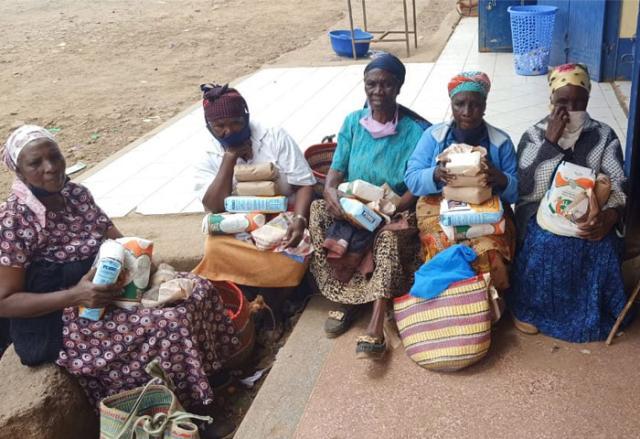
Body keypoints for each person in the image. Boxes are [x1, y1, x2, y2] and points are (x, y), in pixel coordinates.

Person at [0, 125, 238, 434]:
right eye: (36, 163)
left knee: (197, 289)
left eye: (54, 156)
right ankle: (186, 413)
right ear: (18, 170)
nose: (50, 168)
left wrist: (149, 270)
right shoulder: (14, 219)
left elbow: (117, 239)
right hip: (62, 319)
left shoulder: (76, 195)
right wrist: (76, 295)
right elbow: (5, 301)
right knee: (166, 324)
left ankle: (210, 376)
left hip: (108, 293)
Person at [309, 53, 430, 359]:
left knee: (387, 237)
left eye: (386, 85)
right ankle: (346, 298)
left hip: (395, 207)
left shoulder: (416, 132)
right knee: (318, 212)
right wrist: (331, 192)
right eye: (371, 84)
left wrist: (387, 211)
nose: (378, 92)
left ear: (399, 86)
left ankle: (377, 320)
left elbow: (415, 186)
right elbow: (336, 170)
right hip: (354, 204)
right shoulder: (353, 122)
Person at [509, 63, 629, 342]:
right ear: (551, 100)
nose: (572, 109)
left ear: (588, 100)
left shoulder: (604, 135)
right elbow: (526, 191)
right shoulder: (534, 135)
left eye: (579, 101)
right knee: (548, 244)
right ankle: (533, 310)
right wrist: (550, 143)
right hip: (539, 213)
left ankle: (591, 314)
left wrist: (608, 218)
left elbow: (619, 185)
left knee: (600, 243)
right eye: (563, 101)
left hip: (592, 214)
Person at [192, 84, 316, 310]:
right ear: (208, 126)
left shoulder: (274, 136)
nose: (229, 131)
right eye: (219, 126)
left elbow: (305, 183)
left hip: (284, 214)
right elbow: (214, 206)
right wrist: (229, 158)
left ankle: (274, 304)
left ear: (246, 117)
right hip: (241, 220)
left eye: (236, 123)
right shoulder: (209, 153)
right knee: (215, 247)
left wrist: (299, 221)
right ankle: (245, 297)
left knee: (294, 249)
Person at [404, 71, 518, 297]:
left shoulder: (500, 142)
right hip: (438, 210)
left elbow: (517, 193)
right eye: (460, 104)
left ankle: (487, 308)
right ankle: (450, 307)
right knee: (443, 247)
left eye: (475, 104)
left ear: (484, 105)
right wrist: (436, 174)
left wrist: (501, 178)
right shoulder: (433, 137)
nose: (467, 112)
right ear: (451, 104)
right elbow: (412, 178)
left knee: (487, 252)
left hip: (487, 213)